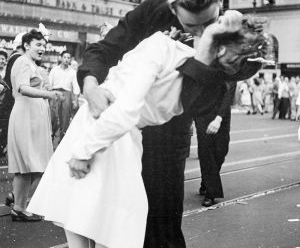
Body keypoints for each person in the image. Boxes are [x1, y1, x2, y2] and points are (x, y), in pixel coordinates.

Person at [27, 13, 269, 247]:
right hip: (119, 136)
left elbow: (126, 109)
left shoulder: (165, 49)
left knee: (83, 219)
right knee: (102, 225)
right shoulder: (204, 86)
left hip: (103, 129)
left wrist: (83, 150)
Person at [75, 0, 264, 248]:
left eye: (207, 21)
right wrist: (90, 85)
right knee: (106, 223)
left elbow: (204, 102)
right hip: (118, 135)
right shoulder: (151, 13)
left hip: (167, 139)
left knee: (162, 228)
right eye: (191, 25)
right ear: (172, 8)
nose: (201, 29)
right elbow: (104, 49)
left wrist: (225, 56)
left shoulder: (229, 36)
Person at [6, 29, 62, 221]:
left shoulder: (30, 64)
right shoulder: (22, 61)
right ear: (27, 45)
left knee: (33, 164)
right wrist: (49, 94)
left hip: (33, 117)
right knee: (27, 164)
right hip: (25, 116)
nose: (42, 49)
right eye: (38, 45)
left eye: (44, 46)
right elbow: (22, 88)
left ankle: (19, 204)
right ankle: (19, 207)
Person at [194, 81, 236, 207]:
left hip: (222, 114)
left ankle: (205, 182)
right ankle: (211, 193)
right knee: (206, 150)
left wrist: (218, 118)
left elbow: (229, 94)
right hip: (203, 112)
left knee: (221, 150)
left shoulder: (230, 67)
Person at [49, 51, 80, 141]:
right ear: (61, 58)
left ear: (70, 60)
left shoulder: (72, 72)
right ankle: (51, 135)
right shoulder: (54, 70)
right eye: (65, 57)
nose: (66, 59)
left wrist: (75, 101)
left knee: (65, 118)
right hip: (55, 93)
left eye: (68, 58)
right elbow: (49, 84)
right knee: (53, 116)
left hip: (67, 94)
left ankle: (62, 139)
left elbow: (76, 87)